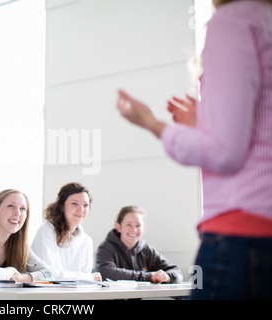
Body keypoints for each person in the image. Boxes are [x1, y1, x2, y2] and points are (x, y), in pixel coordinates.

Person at [116, 0, 272, 299]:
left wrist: (153, 125)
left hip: (241, 239)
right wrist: (206, 122)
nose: (135, 229)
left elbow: (225, 152)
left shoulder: (235, 22)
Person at [31, 183, 102, 281]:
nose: (81, 209)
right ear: (62, 206)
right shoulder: (46, 231)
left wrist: (86, 278)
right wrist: (87, 277)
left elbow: (85, 282)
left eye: (85, 205)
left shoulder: (86, 240)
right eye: (74, 203)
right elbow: (45, 274)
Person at [95, 206, 183, 283]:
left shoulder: (147, 250)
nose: (134, 230)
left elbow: (176, 272)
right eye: (129, 225)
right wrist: (148, 276)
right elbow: (105, 273)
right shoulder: (105, 248)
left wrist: (167, 277)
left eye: (138, 225)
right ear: (118, 227)